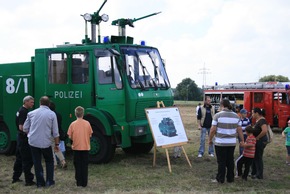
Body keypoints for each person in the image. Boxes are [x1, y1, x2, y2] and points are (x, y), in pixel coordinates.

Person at [23, 96, 60, 187]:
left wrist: (30, 134)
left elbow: (24, 128)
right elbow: (55, 132)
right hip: (45, 142)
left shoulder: (31, 113)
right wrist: (56, 144)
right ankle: (49, 181)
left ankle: (40, 182)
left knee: (37, 162)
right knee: (49, 161)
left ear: (40, 103)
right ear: (49, 104)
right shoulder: (52, 114)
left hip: (33, 142)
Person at [208, 98, 244, 183]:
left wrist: (210, 139)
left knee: (221, 162)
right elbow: (239, 130)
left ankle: (220, 178)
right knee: (230, 160)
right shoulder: (236, 116)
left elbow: (213, 129)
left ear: (222, 105)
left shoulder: (217, 115)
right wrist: (242, 140)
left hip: (220, 142)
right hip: (231, 142)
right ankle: (230, 178)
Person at [12, 95, 35, 186]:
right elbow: (21, 127)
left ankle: (15, 177)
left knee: (19, 158)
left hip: (19, 138)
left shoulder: (20, 110)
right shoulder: (24, 112)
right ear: (25, 102)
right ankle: (28, 180)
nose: (32, 104)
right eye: (31, 102)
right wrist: (30, 132)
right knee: (27, 159)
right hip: (24, 138)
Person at [67, 106, 93, 187]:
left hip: (76, 148)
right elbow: (90, 134)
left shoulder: (73, 124)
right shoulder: (87, 123)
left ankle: (79, 182)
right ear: (83, 113)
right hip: (85, 147)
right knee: (84, 165)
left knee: (77, 165)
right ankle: (85, 182)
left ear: (75, 114)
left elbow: (70, 136)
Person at [250, 107, 268, 179]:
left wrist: (258, 137)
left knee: (258, 158)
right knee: (255, 157)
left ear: (257, 113)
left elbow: (264, 131)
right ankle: (254, 172)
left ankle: (259, 175)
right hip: (257, 141)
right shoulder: (258, 121)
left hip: (260, 141)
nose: (252, 115)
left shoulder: (262, 121)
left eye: (252, 113)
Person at [49, 102, 67, 169]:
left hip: (51, 134)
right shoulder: (58, 114)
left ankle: (54, 164)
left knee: (52, 150)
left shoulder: (50, 115)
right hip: (58, 133)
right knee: (57, 148)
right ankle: (63, 161)